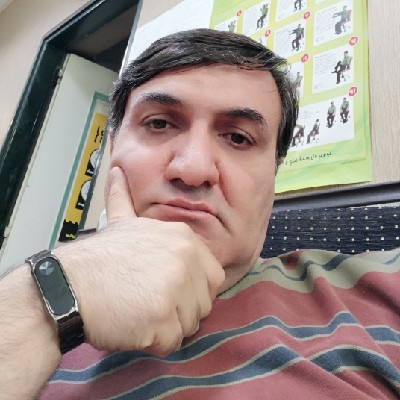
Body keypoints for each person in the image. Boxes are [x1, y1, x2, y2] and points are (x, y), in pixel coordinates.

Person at [0, 29, 399, 400]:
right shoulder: (25, 328)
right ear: (113, 147)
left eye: (238, 138)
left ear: (273, 175)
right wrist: (45, 298)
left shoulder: (379, 295)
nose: (193, 169)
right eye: (159, 123)